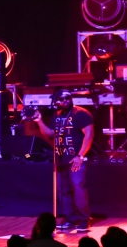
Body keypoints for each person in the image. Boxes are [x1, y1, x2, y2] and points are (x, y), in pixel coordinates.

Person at [31, 88, 94, 231]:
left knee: (78, 187)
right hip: (60, 158)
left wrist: (80, 156)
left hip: (76, 158)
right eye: (61, 99)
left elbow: (89, 135)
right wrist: (39, 121)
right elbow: (50, 134)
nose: (65, 101)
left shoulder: (82, 114)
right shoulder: (57, 115)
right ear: (56, 101)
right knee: (62, 190)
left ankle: (85, 219)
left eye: (68, 98)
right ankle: (70, 218)